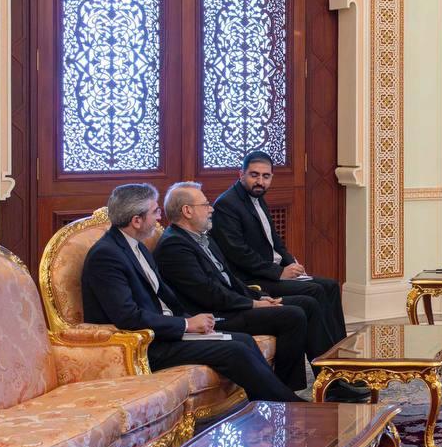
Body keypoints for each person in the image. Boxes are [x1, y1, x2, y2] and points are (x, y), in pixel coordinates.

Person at [81, 183, 303, 403]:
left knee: (243, 341)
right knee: (235, 350)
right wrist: (186, 326)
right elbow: (128, 316)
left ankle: (275, 407)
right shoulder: (106, 256)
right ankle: (292, 408)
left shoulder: (135, 245)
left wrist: (190, 321)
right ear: (136, 221)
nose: (160, 217)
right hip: (146, 345)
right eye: (155, 211)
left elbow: (165, 297)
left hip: (169, 329)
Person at [154, 182, 369, 403]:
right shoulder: (175, 247)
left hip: (234, 303)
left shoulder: (202, 238)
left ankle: (329, 382)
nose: (211, 209)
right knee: (291, 315)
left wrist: (258, 297)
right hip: (214, 314)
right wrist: (253, 305)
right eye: (205, 204)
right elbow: (209, 295)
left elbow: (229, 279)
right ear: (187, 211)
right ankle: (284, 393)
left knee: (308, 303)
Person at [211, 151, 347, 358]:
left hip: (270, 272)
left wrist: (291, 263)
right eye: (254, 175)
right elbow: (238, 253)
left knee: (330, 286)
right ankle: (326, 365)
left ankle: (341, 360)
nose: (260, 181)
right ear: (241, 175)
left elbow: (275, 241)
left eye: (266, 176)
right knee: (315, 291)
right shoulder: (227, 204)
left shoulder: (257, 198)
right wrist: (279, 272)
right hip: (251, 279)